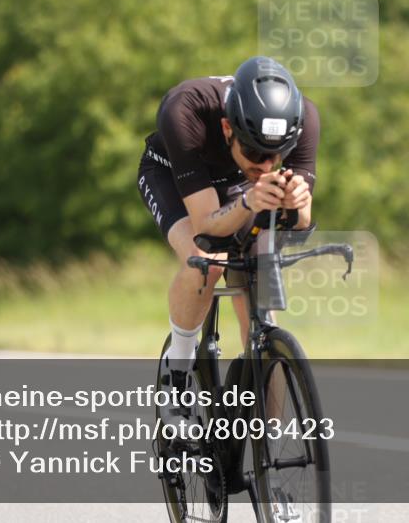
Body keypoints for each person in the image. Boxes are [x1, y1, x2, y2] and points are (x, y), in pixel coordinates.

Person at [136, 56, 320, 430]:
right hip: (173, 177)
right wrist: (251, 200)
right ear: (226, 128)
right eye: (253, 152)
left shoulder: (305, 119)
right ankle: (178, 372)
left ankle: (269, 435)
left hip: (239, 188)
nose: (265, 166)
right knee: (206, 261)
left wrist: (296, 203)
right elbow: (206, 225)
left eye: (275, 156)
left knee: (261, 277)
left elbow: (299, 223)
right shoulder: (185, 109)